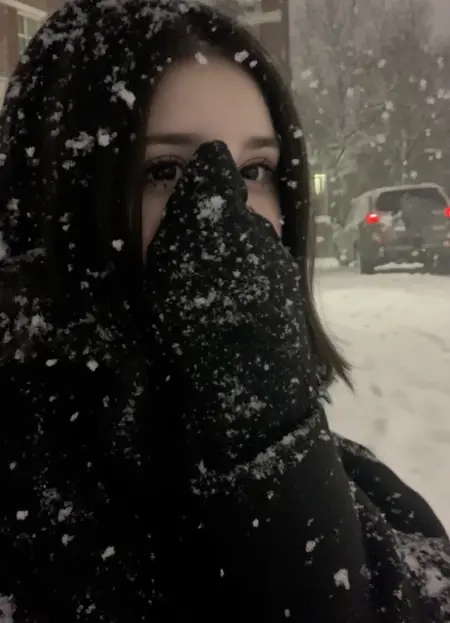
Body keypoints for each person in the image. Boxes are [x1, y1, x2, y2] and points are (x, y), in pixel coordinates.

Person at [0, 1, 449, 621]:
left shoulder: (341, 473)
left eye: (254, 169)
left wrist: (272, 443)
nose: (225, 208)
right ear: (58, 199)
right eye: (163, 170)